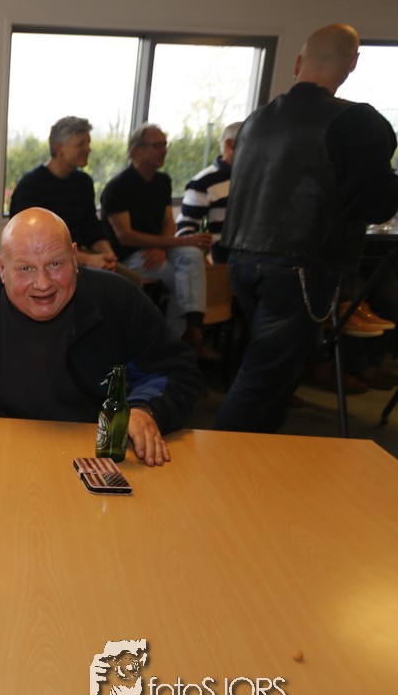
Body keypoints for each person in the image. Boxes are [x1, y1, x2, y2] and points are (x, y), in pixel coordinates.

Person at [215, 24, 398, 433]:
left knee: (274, 374)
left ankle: (255, 457)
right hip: (299, 263)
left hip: (241, 259)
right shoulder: (355, 121)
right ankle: (218, 461)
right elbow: (377, 205)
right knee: (265, 378)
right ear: (352, 64)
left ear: (298, 63)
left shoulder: (257, 119)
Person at [0, 208, 201, 467]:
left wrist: (146, 409)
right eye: (25, 268)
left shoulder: (118, 301)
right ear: (2, 269)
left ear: (75, 257)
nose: (43, 284)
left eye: (55, 264)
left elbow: (178, 371)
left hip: (95, 457)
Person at [101, 123, 216, 357]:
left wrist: (163, 246)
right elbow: (126, 236)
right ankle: (182, 342)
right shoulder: (118, 186)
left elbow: (168, 222)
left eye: (165, 144)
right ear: (136, 150)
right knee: (181, 276)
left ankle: (187, 335)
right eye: (156, 146)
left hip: (156, 249)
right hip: (128, 256)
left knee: (192, 255)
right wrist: (182, 241)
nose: (163, 150)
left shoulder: (163, 181)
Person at [10, 116, 120, 273]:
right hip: (42, 266)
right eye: (81, 144)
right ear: (59, 149)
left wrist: (108, 254)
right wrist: (88, 259)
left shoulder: (83, 182)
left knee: (122, 283)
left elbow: (91, 228)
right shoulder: (31, 186)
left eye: (88, 143)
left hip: (76, 260)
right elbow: (35, 243)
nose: (88, 149)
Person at [177, 120, 242, 262]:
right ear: (229, 144)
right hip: (225, 258)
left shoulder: (260, 177)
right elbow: (185, 228)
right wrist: (202, 261)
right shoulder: (203, 182)